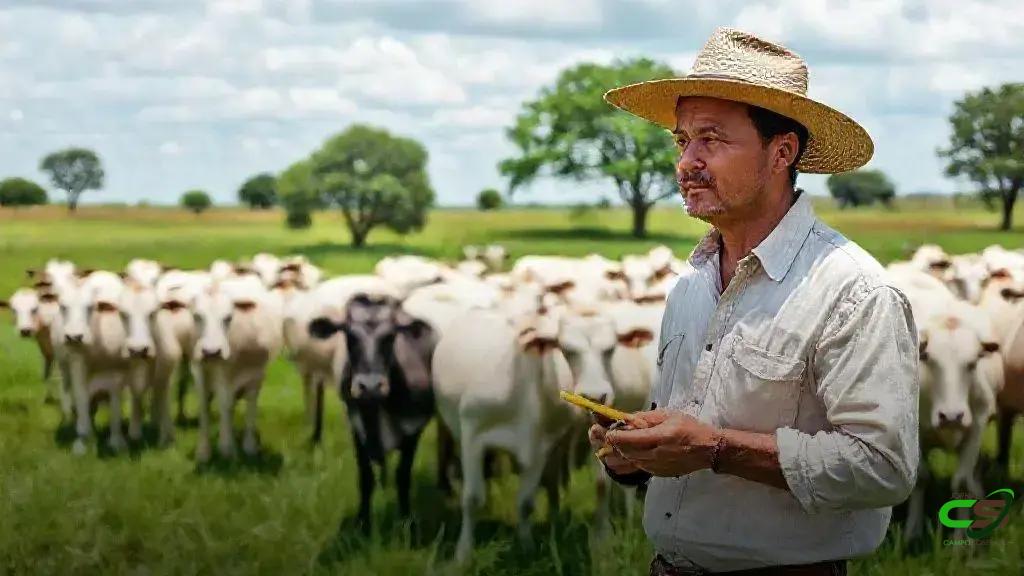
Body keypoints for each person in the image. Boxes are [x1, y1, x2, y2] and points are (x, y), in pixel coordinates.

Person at [590, 27, 920, 576]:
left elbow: (883, 468)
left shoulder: (853, 292)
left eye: (712, 140)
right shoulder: (693, 282)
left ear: (781, 152)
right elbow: (683, 429)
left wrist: (715, 447)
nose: (686, 161)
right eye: (682, 141)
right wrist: (636, 453)